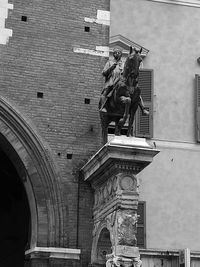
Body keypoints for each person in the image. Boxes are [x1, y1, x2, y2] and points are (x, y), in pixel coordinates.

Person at [100, 47, 124, 112]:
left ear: (121, 54)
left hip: (120, 82)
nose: (117, 54)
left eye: (119, 53)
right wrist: (111, 68)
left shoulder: (123, 64)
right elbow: (104, 73)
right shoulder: (109, 62)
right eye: (115, 53)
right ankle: (103, 107)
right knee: (105, 93)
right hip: (111, 81)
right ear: (113, 54)